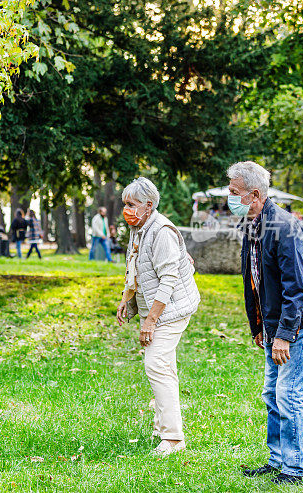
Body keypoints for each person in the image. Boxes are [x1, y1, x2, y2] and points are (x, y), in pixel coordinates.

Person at [228, 162, 303, 485]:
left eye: (234, 193)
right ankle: (277, 459)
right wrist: (259, 327)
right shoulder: (252, 224)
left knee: (288, 394)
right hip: (274, 325)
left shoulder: (285, 226)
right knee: (272, 393)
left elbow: (296, 286)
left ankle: (295, 468)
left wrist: (283, 335)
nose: (230, 198)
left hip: (299, 323)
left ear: (254, 195)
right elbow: (254, 281)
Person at [115, 177, 200, 456]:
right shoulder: (139, 227)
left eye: (132, 204)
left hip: (172, 307)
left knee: (156, 363)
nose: (126, 209)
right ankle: (163, 427)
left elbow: (167, 280)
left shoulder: (161, 230)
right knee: (163, 365)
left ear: (148, 206)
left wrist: (150, 320)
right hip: (157, 306)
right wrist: (127, 302)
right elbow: (136, 268)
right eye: (125, 204)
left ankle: (174, 438)